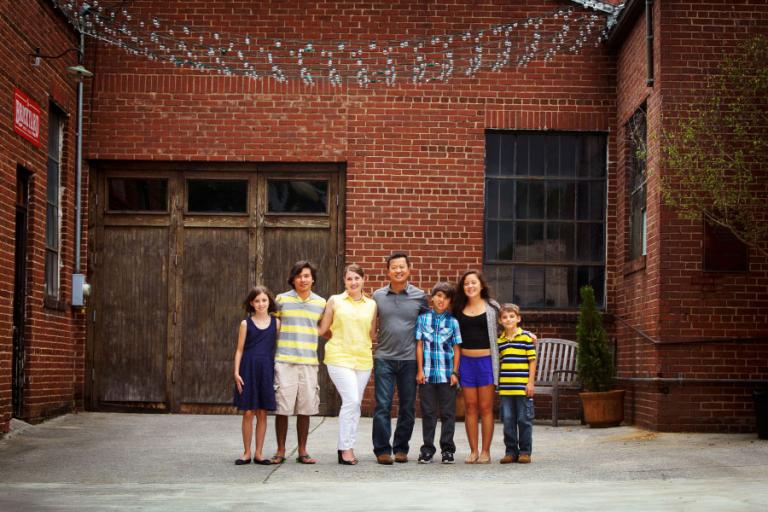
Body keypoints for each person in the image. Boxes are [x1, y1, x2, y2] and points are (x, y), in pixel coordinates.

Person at [372, 252, 428, 465]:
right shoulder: (377, 296)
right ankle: (383, 450)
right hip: (384, 358)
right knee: (383, 406)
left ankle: (401, 448)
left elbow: (427, 327)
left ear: (409, 269)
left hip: (410, 360)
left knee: (407, 406)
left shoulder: (420, 296)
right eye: (394, 267)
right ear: (388, 271)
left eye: (402, 267)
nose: (398, 270)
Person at [318, 264, 377, 465]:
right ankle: (345, 448)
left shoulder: (371, 304)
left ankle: (348, 445)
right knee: (351, 400)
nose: (353, 282)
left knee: (356, 404)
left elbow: (372, 333)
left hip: (363, 359)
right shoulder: (335, 301)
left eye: (356, 278)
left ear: (363, 280)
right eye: (349, 279)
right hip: (339, 357)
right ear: (344, 281)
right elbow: (323, 329)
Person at [271, 261, 327, 465]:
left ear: (313, 279)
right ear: (293, 279)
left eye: (307, 276)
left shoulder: (321, 303)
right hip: (284, 361)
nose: (303, 279)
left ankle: (302, 451)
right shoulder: (281, 300)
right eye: (299, 276)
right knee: (282, 408)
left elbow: (326, 329)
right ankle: (280, 450)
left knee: (305, 408)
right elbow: (272, 328)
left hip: (309, 362)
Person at [452, 270, 499, 464]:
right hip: (466, 363)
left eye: (473, 283)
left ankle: (486, 451)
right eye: (466, 284)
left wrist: (527, 334)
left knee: (486, 407)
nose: (470, 286)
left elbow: (508, 327)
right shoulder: (458, 308)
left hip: (487, 362)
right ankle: (473, 450)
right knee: (470, 408)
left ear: (481, 285)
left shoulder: (492, 307)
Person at [415, 282, 462, 464]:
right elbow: (419, 345)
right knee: (428, 413)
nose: (442, 300)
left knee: (448, 414)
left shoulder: (453, 322)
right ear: (432, 297)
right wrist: (419, 370)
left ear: (450, 301)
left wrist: (455, 372)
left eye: (446, 297)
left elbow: (457, 348)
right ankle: (427, 449)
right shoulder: (423, 319)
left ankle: (447, 450)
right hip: (426, 375)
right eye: (439, 296)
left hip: (446, 375)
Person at [233, 286, 279, 466]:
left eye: (264, 300)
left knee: (262, 412)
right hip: (248, 369)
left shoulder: (276, 323)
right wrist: (236, 372)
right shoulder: (246, 324)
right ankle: (246, 452)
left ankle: (259, 453)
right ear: (252, 303)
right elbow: (239, 350)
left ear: (269, 302)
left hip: (266, 369)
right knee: (248, 412)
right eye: (257, 301)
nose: (261, 304)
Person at [497, 303, 537, 464]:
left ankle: (525, 452)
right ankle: (511, 452)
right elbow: (500, 363)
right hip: (506, 389)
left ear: (518, 318)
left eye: (512, 316)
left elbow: (532, 361)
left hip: (522, 387)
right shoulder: (500, 341)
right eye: (505, 317)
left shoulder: (526, 337)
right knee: (508, 420)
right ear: (500, 321)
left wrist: (530, 383)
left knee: (524, 420)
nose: (508, 319)